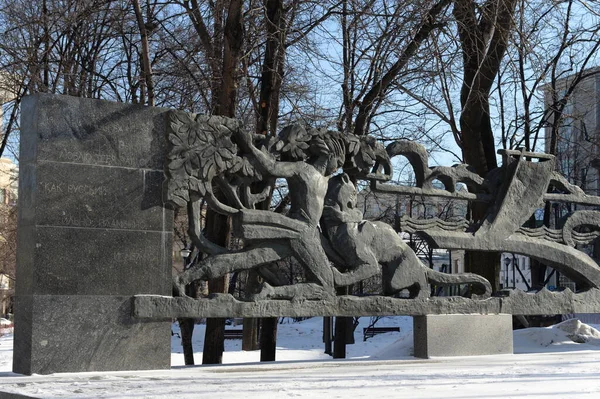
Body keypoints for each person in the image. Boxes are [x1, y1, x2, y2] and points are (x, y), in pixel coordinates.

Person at [173, 124, 346, 300]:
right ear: (328, 154)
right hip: (300, 231)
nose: (337, 168)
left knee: (247, 259)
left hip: (301, 233)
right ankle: (272, 291)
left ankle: (183, 278)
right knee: (327, 288)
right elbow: (271, 167)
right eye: (338, 162)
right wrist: (249, 147)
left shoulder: (323, 179)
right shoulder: (303, 169)